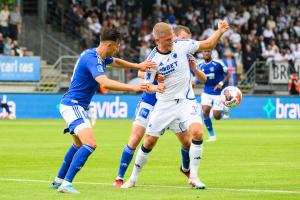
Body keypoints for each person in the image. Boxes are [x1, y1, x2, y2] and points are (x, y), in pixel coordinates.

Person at [121, 21, 229, 189]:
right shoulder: (152, 60)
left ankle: (193, 176)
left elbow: (208, 43)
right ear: (157, 40)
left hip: (186, 101)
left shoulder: (182, 45)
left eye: (172, 38)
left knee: (197, 133)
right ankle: (133, 178)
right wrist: (157, 87)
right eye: (167, 40)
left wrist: (220, 31)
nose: (172, 42)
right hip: (164, 104)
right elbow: (146, 85)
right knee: (149, 141)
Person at [50, 27, 157, 194]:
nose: (117, 49)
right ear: (109, 44)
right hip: (73, 105)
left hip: (73, 104)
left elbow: (116, 62)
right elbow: (104, 83)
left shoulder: (96, 55)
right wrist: (133, 87)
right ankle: (66, 184)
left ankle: (58, 180)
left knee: (78, 143)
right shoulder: (93, 59)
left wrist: (137, 65)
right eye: (116, 46)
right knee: (90, 143)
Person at [197, 49, 231, 142]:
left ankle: (225, 109)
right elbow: (198, 78)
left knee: (217, 116)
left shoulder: (218, 63)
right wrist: (193, 82)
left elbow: (228, 74)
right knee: (205, 112)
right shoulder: (199, 65)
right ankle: (212, 136)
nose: (206, 53)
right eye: (205, 51)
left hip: (218, 93)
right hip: (206, 92)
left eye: (208, 51)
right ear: (202, 53)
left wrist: (220, 83)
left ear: (211, 53)